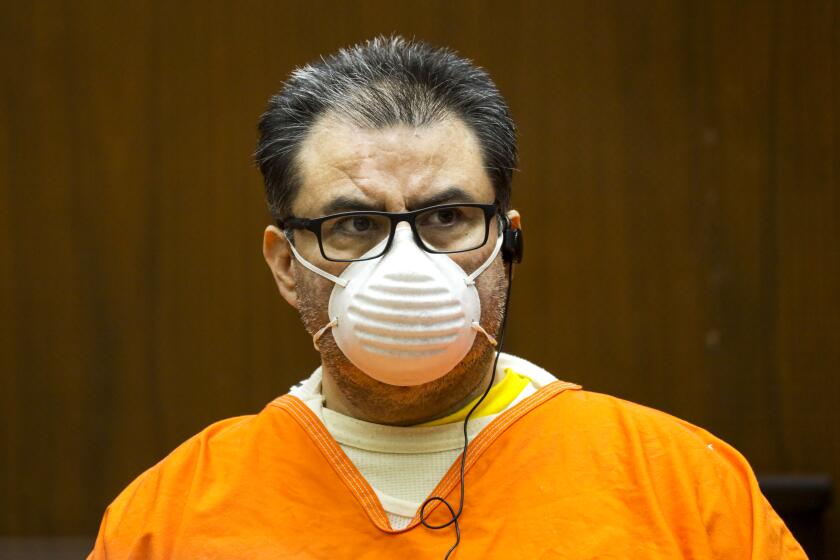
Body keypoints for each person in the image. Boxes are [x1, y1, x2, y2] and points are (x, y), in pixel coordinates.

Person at [89, 36, 806, 559]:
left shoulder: (684, 489)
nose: (407, 263)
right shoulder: (171, 515)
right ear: (284, 263)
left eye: (446, 218)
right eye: (354, 224)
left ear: (508, 243)